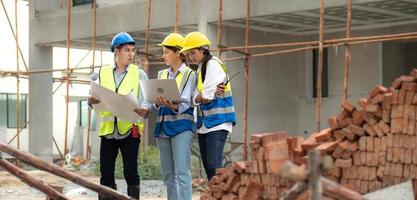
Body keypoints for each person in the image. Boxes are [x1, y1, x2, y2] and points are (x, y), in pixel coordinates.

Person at [88, 32, 151, 200]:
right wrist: (91, 101)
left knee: (131, 171)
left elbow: (147, 100)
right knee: (106, 173)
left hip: (130, 129)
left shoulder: (139, 74)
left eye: (133, 50)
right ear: (117, 51)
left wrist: (145, 109)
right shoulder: (101, 73)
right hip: (108, 130)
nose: (131, 54)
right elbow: (93, 97)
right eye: (127, 50)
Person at [181, 32, 236, 180]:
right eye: (188, 54)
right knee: (208, 167)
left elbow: (207, 95)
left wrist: (201, 96)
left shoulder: (213, 64)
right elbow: (196, 98)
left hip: (218, 121)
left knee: (214, 166)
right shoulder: (200, 69)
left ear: (203, 49)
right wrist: (201, 96)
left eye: (193, 52)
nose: (190, 57)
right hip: (205, 123)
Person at [153, 33, 196, 200]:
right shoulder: (161, 74)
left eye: (166, 52)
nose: (163, 55)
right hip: (163, 126)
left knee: (182, 172)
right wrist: (157, 101)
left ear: (178, 52)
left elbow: (185, 103)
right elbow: (156, 102)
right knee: (168, 174)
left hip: (181, 127)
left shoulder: (189, 74)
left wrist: (171, 104)